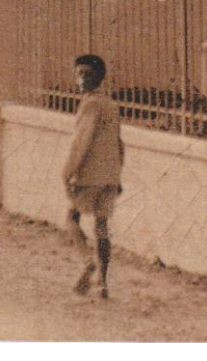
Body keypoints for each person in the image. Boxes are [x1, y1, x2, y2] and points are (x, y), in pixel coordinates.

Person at [63, 53, 124, 299]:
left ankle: (88, 261)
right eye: (80, 74)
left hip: (89, 176)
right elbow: (120, 144)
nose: (83, 80)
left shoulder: (89, 104)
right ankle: (103, 283)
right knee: (101, 226)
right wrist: (117, 175)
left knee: (72, 218)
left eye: (88, 75)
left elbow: (81, 142)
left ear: (99, 77)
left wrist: (68, 172)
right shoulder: (111, 104)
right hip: (109, 176)